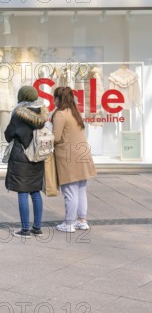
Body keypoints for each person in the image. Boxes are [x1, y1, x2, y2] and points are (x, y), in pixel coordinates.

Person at [4, 86, 48, 238]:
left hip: (21, 156)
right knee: (35, 191)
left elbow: (8, 135)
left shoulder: (18, 114)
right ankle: (37, 228)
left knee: (22, 192)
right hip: (37, 156)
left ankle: (25, 230)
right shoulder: (42, 113)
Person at [52, 87, 97, 233]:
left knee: (70, 192)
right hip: (83, 155)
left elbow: (56, 137)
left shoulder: (60, 114)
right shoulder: (75, 112)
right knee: (81, 190)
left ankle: (69, 223)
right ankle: (82, 221)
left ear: (59, 99)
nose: (53, 100)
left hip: (68, 157)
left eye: (55, 97)